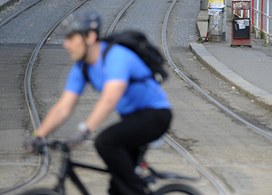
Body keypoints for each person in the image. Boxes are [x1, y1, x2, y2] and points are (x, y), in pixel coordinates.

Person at [24, 11, 173, 195]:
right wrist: (39, 135)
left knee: (105, 142)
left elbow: (110, 98)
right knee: (117, 188)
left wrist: (85, 130)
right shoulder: (82, 67)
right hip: (131, 119)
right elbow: (64, 106)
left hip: (155, 115)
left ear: (90, 36)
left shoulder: (115, 56)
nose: (66, 44)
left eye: (71, 38)